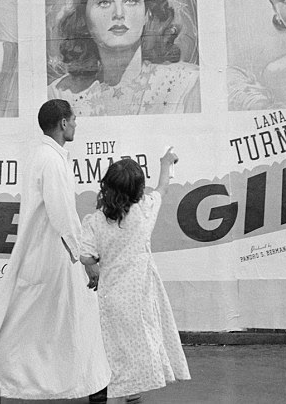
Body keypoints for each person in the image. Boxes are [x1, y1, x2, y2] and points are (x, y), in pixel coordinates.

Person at [0, 99, 110, 400]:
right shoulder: (51, 160)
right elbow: (63, 214)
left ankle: (95, 383)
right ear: (63, 123)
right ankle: (92, 385)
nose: (76, 123)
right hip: (51, 258)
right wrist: (85, 257)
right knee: (28, 324)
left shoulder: (45, 156)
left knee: (40, 322)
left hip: (49, 256)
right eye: (74, 118)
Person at [80, 149, 191, 403]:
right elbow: (163, 188)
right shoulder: (144, 212)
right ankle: (132, 393)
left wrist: (96, 266)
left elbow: (86, 255)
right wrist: (165, 163)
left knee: (115, 354)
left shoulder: (95, 221)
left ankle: (119, 393)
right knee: (139, 348)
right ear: (139, 191)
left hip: (110, 300)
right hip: (140, 298)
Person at [48, 0, 200, 115]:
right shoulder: (60, 94)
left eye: (131, 1)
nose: (118, 14)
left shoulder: (188, 84)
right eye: (104, 2)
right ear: (84, 17)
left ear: (147, 14)